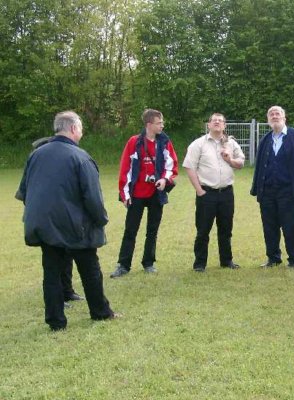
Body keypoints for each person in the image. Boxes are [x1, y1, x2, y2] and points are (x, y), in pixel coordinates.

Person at [18, 111, 117, 331]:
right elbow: (92, 197)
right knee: (90, 268)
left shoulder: (36, 154)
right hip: (74, 226)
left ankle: (56, 321)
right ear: (73, 128)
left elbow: (24, 191)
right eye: (80, 127)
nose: (81, 132)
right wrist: (101, 219)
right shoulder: (80, 157)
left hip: (43, 224)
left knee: (51, 272)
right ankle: (100, 312)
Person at [16, 137, 85, 306]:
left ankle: (67, 291)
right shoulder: (36, 164)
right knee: (53, 260)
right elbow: (25, 191)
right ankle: (58, 298)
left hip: (62, 217)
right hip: (46, 220)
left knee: (67, 255)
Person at [110, 109, 178, 278]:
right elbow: (125, 168)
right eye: (159, 123)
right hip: (137, 194)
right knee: (130, 230)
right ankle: (123, 265)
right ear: (149, 124)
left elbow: (171, 165)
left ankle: (149, 263)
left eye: (162, 122)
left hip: (156, 193)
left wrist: (164, 179)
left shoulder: (164, 142)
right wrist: (125, 195)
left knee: (152, 230)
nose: (162, 125)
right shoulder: (135, 142)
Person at [250, 105, 294, 268]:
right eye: (271, 114)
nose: (274, 116)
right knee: (269, 226)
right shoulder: (265, 140)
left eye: (278, 113)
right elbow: (259, 167)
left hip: (288, 190)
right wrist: (257, 189)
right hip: (268, 191)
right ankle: (273, 258)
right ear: (268, 120)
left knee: (290, 226)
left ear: (284, 118)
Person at [183, 113, 245, 272]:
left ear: (225, 125)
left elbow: (241, 163)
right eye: (214, 120)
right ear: (208, 125)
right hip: (206, 193)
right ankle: (199, 264)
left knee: (226, 229)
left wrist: (230, 160)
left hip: (226, 193)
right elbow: (189, 166)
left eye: (220, 121)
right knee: (203, 230)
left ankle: (226, 261)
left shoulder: (231, 143)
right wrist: (199, 190)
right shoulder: (198, 144)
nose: (217, 122)